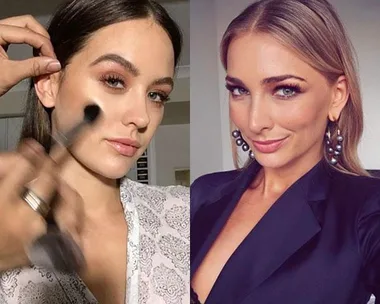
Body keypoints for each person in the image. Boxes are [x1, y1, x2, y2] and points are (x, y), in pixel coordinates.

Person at [0, 0, 189, 303]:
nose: (141, 117)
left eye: (156, 95)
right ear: (49, 83)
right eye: (114, 81)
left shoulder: (187, 213)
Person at [190, 0, 379, 303]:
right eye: (239, 90)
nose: (254, 122)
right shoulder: (203, 193)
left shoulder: (367, 207)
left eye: (285, 90)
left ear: (337, 96)